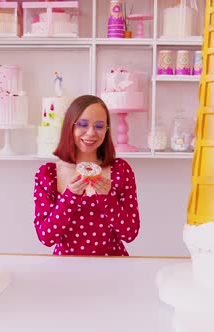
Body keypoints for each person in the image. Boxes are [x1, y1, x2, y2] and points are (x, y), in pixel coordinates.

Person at [33, 95, 141, 256]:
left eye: (99, 126)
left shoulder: (121, 170)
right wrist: (70, 197)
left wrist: (108, 198)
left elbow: (130, 233)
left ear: (107, 129)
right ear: (70, 127)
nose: (91, 133)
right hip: (66, 269)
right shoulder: (47, 174)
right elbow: (46, 237)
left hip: (114, 267)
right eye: (83, 124)